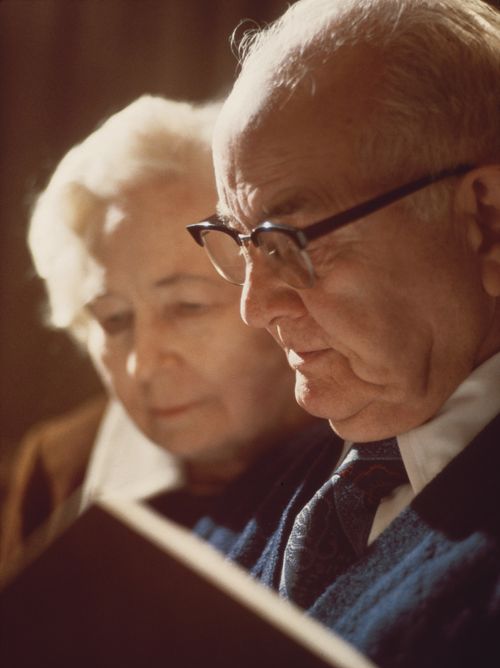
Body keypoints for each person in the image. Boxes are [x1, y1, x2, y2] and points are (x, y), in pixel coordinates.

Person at [186, 0, 500, 668]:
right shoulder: (280, 471)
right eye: (237, 240)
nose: (253, 307)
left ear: (486, 219)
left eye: (288, 239)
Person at [1, 95, 334, 571]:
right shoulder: (60, 467)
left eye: (185, 307)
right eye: (114, 319)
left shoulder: (369, 455)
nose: (144, 363)